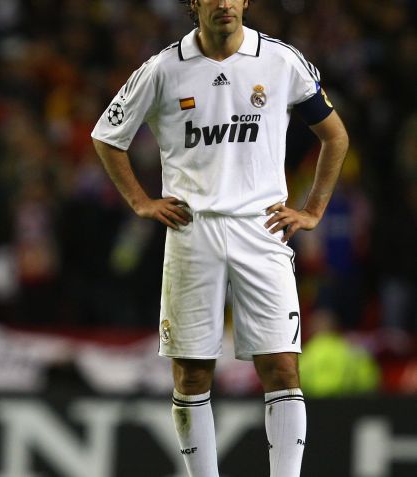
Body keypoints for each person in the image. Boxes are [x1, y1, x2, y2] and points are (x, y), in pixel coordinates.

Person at [91, 1, 348, 476]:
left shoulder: (281, 60)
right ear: (194, 2)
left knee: (283, 367)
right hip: (193, 230)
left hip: (261, 228)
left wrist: (313, 209)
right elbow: (107, 136)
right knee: (192, 373)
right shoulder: (163, 68)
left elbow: (335, 136)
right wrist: (141, 202)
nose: (225, 3)